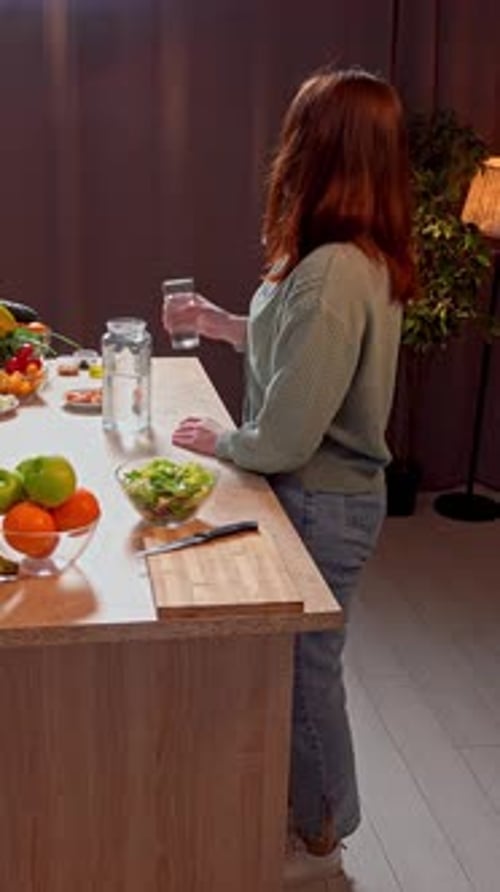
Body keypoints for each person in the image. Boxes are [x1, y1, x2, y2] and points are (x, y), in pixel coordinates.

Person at [165, 67, 415, 885]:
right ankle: (305, 811)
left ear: (323, 147)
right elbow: (298, 355)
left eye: (299, 128)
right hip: (325, 499)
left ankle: (321, 837)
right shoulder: (340, 256)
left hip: (325, 504)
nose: (286, 145)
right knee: (300, 667)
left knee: (310, 672)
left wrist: (224, 442)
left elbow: (290, 430)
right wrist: (220, 324)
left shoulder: (338, 269)